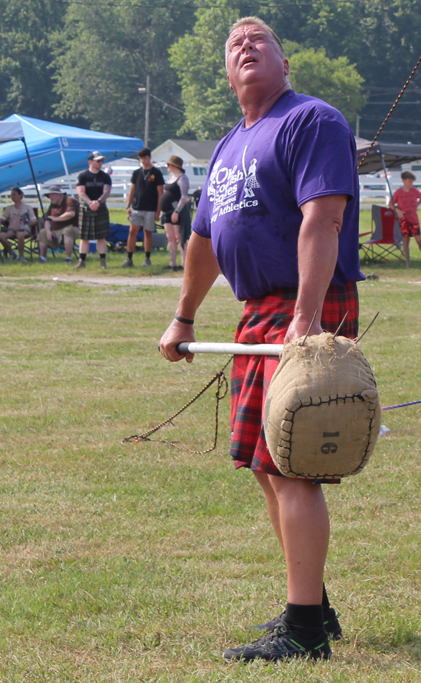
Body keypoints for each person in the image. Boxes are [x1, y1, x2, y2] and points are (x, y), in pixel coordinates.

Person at [159, 16, 363, 663]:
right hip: (255, 313)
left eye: (259, 41)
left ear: (284, 62)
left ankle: (303, 630)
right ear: (227, 73)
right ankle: (315, 605)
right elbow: (202, 242)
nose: (245, 47)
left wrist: (306, 317)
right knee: (263, 464)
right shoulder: (226, 148)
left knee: (293, 463)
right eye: (234, 46)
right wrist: (185, 315)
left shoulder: (312, 122)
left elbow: (323, 219)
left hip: (308, 301)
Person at [123, 147, 164, 268]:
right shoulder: (137, 173)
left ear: (149, 157)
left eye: (145, 157)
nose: (143, 160)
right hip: (137, 207)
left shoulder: (156, 173)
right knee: (132, 232)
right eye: (141, 158)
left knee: (148, 232)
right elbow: (132, 190)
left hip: (151, 208)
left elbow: (160, 193)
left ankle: (147, 257)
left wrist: (158, 211)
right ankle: (129, 258)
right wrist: (128, 205)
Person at [75, 151, 112, 269]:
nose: (100, 163)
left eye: (101, 161)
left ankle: (102, 262)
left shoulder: (105, 176)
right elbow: (81, 192)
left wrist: (98, 202)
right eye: (98, 161)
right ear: (90, 161)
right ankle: (82, 261)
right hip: (87, 208)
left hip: (100, 208)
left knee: (101, 236)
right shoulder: (83, 176)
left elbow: (106, 192)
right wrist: (90, 202)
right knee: (84, 237)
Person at [390, 171, 421, 265]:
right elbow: (391, 204)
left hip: (413, 218)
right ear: (404, 181)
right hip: (403, 219)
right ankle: (408, 263)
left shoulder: (414, 191)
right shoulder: (398, 192)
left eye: (412, 182)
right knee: (405, 241)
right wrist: (398, 211)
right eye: (409, 181)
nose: (411, 183)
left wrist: (417, 205)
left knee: (418, 239)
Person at [159, 155, 190, 270]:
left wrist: (176, 211)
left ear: (173, 166)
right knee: (170, 237)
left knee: (179, 237)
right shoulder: (171, 177)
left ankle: (184, 263)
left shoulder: (182, 178)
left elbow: (184, 197)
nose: (167, 167)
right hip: (167, 211)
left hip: (176, 211)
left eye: (168, 165)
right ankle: (172, 262)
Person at [37, 185, 80, 263]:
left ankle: (68, 258)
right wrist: (48, 231)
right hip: (56, 230)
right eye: (49, 195)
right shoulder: (53, 204)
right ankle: (43, 258)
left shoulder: (69, 200)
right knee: (42, 232)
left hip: (73, 228)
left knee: (67, 231)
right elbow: (48, 220)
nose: (51, 197)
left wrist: (56, 219)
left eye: (53, 195)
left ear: (60, 195)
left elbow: (71, 214)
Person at [0, 188, 37, 263]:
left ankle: (21, 256)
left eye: (14, 194)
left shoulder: (27, 207)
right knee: (1, 236)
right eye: (11, 195)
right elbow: (3, 218)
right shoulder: (9, 208)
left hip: (24, 229)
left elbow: (34, 219)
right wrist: (0, 222)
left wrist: (32, 222)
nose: (12, 197)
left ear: (20, 195)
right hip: (12, 229)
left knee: (20, 234)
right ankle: (12, 254)